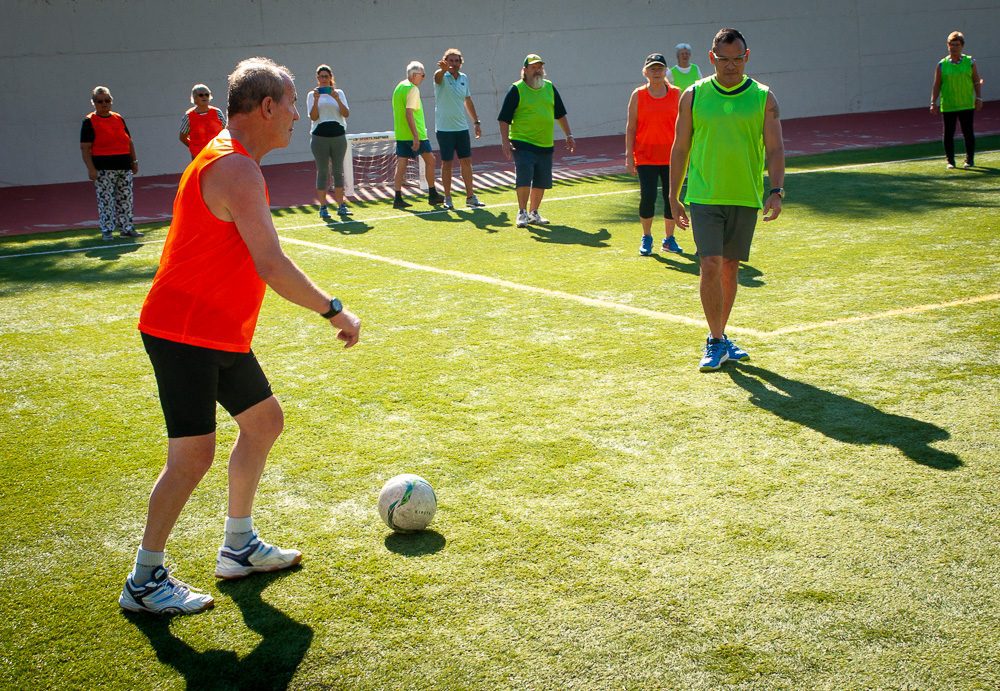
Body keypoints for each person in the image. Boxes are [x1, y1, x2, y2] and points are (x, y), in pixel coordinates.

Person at [120, 57, 362, 615]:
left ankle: (239, 546)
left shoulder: (234, 161)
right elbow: (271, 265)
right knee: (190, 457)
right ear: (268, 106)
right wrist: (334, 311)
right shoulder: (235, 167)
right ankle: (144, 579)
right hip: (184, 330)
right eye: (293, 103)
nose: (298, 115)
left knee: (263, 421)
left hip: (216, 329)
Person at [669, 28, 785, 372]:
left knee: (730, 269)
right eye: (723, 60)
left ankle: (721, 336)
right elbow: (680, 147)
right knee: (710, 264)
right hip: (704, 195)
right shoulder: (693, 95)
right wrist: (673, 196)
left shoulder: (764, 97)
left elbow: (776, 149)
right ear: (711, 58)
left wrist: (776, 190)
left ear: (746, 58)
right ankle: (716, 340)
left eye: (737, 59)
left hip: (745, 196)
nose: (730, 66)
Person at [497, 54, 575, 228]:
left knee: (541, 181)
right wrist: (504, 141)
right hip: (522, 142)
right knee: (524, 178)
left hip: (545, 143)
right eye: (533, 67)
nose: (537, 70)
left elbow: (560, 113)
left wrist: (568, 135)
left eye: (539, 67)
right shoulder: (516, 89)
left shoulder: (549, 88)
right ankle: (522, 212)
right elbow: (504, 119)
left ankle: (534, 213)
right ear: (524, 70)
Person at [625, 53, 683, 256]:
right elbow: (631, 127)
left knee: (671, 198)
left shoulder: (677, 94)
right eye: (653, 69)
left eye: (660, 68)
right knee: (647, 197)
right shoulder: (638, 95)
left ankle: (669, 239)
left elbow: (685, 126)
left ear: (666, 71)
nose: (657, 72)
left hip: (672, 157)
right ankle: (647, 236)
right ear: (645, 72)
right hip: (645, 156)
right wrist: (628, 156)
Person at [79, 86, 142, 240]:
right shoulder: (89, 121)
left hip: (123, 165)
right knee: (106, 200)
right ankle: (107, 229)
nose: (104, 104)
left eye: (107, 100)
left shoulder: (118, 118)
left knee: (126, 199)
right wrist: (91, 169)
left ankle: (126, 227)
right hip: (103, 168)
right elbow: (85, 148)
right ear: (93, 103)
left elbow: (129, 142)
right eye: (100, 101)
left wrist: (134, 161)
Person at [433, 48, 486, 210]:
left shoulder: (464, 78)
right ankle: (447, 197)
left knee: (466, 162)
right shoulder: (441, 75)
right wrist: (442, 70)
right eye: (451, 60)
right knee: (447, 163)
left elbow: (467, 100)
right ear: (445, 61)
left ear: (460, 63)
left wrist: (476, 122)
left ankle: (470, 196)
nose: (454, 64)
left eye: (457, 61)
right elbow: (437, 78)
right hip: (444, 129)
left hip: (461, 128)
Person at [391, 61, 444, 209]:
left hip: (401, 133)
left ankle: (397, 197)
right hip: (416, 134)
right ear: (414, 75)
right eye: (422, 75)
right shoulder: (412, 89)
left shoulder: (399, 87)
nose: (423, 78)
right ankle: (432, 194)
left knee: (401, 164)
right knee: (431, 161)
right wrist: (415, 135)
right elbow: (409, 113)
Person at [930, 31, 984, 169]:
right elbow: (937, 84)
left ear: (962, 46)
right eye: (951, 44)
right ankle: (950, 161)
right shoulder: (942, 64)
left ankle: (969, 160)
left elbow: (976, 81)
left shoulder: (970, 62)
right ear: (947, 46)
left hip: (966, 103)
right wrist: (933, 102)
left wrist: (978, 98)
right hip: (948, 104)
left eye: (957, 44)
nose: (953, 47)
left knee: (968, 132)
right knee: (948, 134)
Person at [307, 64, 352, 219]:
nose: (324, 80)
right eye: (321, 77)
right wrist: (315, 100)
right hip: (320, 138)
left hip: (338, 136)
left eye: (326, 76)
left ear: (331, 77)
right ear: (317, 79)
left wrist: (337, 98)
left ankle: (341, 206)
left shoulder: (338, 93)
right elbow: (313, 117)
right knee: (323, 172)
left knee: (338, 172)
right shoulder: (312, 95)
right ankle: (323, 207)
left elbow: (346, 113)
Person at [178, 84, 227, 159]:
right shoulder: (188, 116)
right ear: (194, 98)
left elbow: (225, 131)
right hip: (198, 157)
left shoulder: (217, 112)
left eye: (207, 95)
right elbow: (182, 137)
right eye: (201, 95)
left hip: (217, 154)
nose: (204, 97)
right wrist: (194, 147)